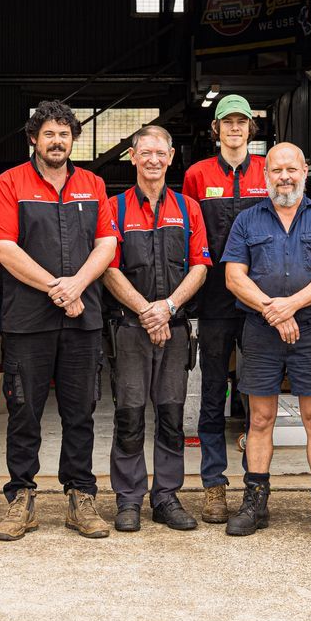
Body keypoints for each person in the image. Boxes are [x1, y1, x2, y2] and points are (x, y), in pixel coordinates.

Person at [0, 100, 120, 540]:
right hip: (28, 320)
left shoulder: (93, 184)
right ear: (33, 139)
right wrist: (56, 289)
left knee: (81, 412)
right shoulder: (10, 183)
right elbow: (3, 248)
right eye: (49, 133)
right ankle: (21, 496)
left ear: (73, 139)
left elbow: (106, 245)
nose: (57, 141)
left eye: (64, 133)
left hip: (83, 319)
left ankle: (81, 496)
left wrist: (76, 286)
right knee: (24, 411)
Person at [220, 142, 311, 542]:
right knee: (259, 419)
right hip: (261, 331)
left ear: (305, 171)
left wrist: (290, 307)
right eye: (277, 170)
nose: (285, 177)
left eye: (291, 169)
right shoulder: (247, 221)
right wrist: (272, 312)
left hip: (310, 329)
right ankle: (255, 502)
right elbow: (234, 277)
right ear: (265, 175)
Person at [100, 124, 210, 532]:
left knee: (171, 414)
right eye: (144, 152)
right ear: (132, 156)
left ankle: (165, 496)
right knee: (128, 415)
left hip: (176, 327)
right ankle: (128, 499)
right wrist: (147, 310)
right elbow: (107, 268)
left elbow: (200, 266)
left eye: (160, 153)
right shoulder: (114, 208)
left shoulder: (188, 208)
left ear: (170, 157)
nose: (153, 160)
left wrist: (167, 307)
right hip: (129, 328)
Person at [181, 94, 269, 523]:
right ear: (216, 129)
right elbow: (189, 230)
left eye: (241, 122)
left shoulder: (267, 171)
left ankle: (256, 484)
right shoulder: (197, 175)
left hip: (257, 300)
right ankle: (214, 486)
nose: (235, 129)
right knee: (214, 392)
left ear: (250, 128)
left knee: (257, 394)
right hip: (215, 300)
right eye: (227, 122)